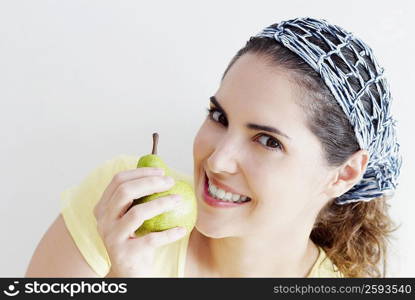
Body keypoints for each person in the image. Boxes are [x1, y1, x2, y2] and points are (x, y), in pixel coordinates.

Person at [25, 17, 402, 278]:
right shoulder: (124, 207)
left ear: (344, 174)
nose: (218, 160)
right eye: (219, 117)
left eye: (267, 141)